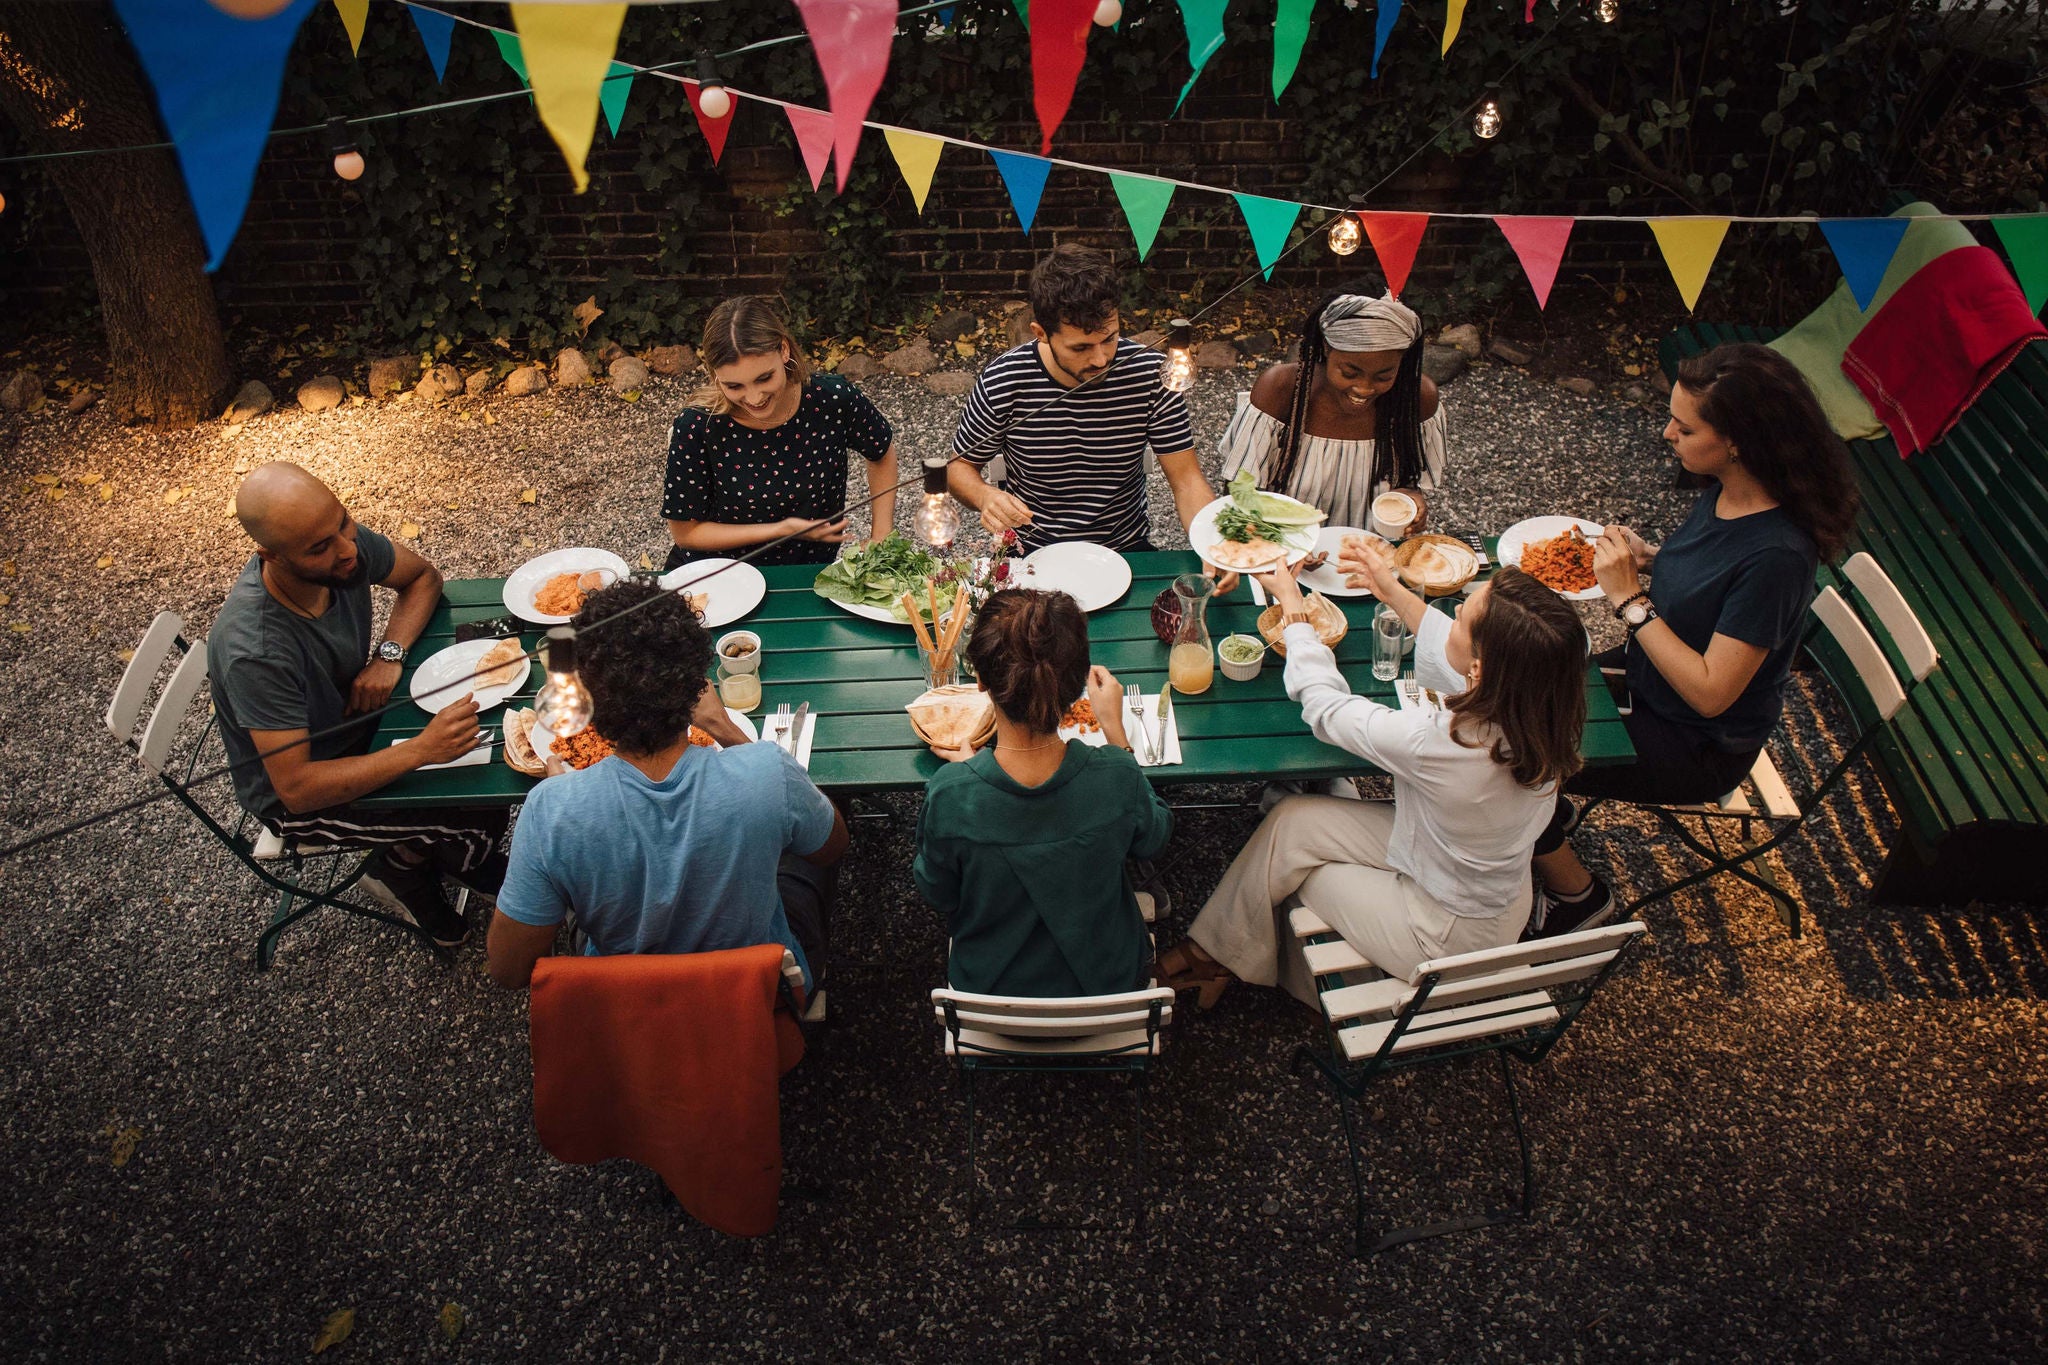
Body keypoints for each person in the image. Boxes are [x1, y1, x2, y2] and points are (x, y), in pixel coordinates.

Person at [1528, 342, 1858, 937]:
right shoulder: (1729, 491)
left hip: (1694, 740)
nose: (1666, 434)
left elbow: (1711, 693)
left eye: (1684, 426)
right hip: (1648, 683)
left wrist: (1630, 599)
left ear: (1737, 440)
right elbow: (1707, 582)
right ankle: (1545, 807)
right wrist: (1652, 560)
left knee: (1510, 748)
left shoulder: (1777, 556)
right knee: (1517, 671)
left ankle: (1578, 896)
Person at [1158, 555, 1588, 1009]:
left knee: (1295, 873)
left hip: (1441, 931)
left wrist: (1294, 609)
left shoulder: (1447, 747)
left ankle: (1292, 981)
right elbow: (1458, 655)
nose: (1452, 615)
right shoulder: (1544, 710)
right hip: (1464, 874)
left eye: (1460, 617)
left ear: (1483, 670)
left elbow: (1326, 709)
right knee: (1291, 821)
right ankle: (1214, 953)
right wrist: (1392, 591)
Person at [486, 579, 849, 990]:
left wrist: (562, 796)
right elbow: (832, 846)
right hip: (759, 997)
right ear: (696, 684)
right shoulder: (767, 770)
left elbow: (508, 969)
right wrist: (726, 729)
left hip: (627, 1004)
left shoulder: (549, 811)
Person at [208, 462, 506, 947]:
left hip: (363, 726)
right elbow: (298, 790)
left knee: (492, 769)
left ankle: (406, 858)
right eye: (320, 547)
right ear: (271, 556)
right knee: (474, 818)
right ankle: (402, 870)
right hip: (304, 794)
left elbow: (424, 578)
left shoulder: (335, 546)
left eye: (344, 523)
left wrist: (389, 656)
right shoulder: (256, 651)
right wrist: (420, 751)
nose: (349, 551)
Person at [913, 589, 1172, 998]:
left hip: (991, 996)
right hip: (1107, 988)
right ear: (1076, 688)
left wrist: (967, 775)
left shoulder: (950, 794)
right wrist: (1117, 735)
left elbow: (938, 891)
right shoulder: (1117, 775)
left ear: (979, 679)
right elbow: (1154, 837)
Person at [947, 244, 1234, 585]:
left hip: (1127, 551)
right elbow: (958, 467)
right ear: (1041, 333)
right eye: (1081, 347)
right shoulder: (1005, 379)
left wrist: (1216, 545)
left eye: (1110, 338)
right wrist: (985, 497)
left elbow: (1187, 482)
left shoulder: (1151, 374)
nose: (1101, 359)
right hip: (1032, 553)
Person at [661, 295, 899, 572]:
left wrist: (881, 536)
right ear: (715, 374)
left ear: (784, 350)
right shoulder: (697, 425)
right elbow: (685, 533)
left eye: (764, 378)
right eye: (734, 386)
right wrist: (780, 530)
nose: (754, 397)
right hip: (715, 578)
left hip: (807, 576)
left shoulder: (833, 400)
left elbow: (881, 451)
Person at [1219, 288, 1443, 534]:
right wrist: (1286, 545)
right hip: (1282, 548)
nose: (1364, 388)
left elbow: (1411, 483)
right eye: (1350, 372)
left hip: (1373, 556)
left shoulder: (1417, 399)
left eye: (1384, 376)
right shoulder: (1280, 390)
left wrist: (1411, 499)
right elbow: (1238, 491)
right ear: (1326, 348)